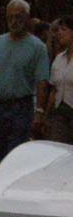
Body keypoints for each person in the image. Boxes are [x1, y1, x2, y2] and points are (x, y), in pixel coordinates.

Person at [0, 0, 50, 163]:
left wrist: (39, 112)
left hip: (21, 106)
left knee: (15, 153)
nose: (14, 21)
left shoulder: (37, 47)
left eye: (19, 17)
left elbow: (42, 81)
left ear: (27, 18)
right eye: (10, 17)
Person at [42, 15, 73, 144]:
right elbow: (54, 89)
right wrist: (46, 116)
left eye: (64, 29)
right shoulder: (58, 59)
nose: (59, 33)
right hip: (60, 114)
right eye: (58, 30)